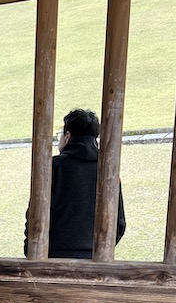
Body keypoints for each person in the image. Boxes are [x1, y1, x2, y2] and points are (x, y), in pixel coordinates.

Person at [24, 108, 126, 259]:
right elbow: (119, 222)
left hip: (50, 256)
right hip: (95, 258)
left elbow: (34, 214)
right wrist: (101, 248)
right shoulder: (108, 170)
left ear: (68, 136)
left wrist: (31, 249)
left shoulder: (53, 167)